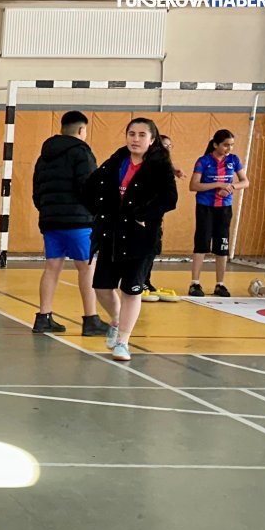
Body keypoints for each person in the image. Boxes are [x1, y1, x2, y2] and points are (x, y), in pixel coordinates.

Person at [85, 118, 178, 362]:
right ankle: (116, 320)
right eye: (131, 133)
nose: (135, 139)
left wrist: (143, 215)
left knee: (131, 290)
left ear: (152, 139)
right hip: (111, 234)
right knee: (102, 288)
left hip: (141, 239)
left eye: (141, 135)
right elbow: (92, 185)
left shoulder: (160, 165)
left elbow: (170, 198)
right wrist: (98, 211)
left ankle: (123, 342)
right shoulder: (117, 160)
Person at [30, 111, 108, 336]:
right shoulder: (82, 152)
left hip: (50, 219)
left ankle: (43, 317)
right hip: (78, 220)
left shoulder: (44, 155)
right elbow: (89, 186)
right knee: (86, 267)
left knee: (52, 267)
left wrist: (46, 211)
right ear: (82, 130)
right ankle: (90, 319)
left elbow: (37, 188)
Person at [189, 129, 250, 297]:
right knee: (202, 243)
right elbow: (193, 186)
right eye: (225, 145)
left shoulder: (234, 160)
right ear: (215, 144)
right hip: (205, 207)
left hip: (224, 208)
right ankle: (195, 283)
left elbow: (245, 182)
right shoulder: (204, 161)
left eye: (231, 145)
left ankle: (220, 284)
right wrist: (217, 185)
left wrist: (231, 187)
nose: (229, 148)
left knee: (222, 245)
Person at [138, 134, 185, 302]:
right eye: (164, 145)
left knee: (154, 247)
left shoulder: (163, 166)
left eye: (169, 146)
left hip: (156, 215)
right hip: (144, 213)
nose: (167, 148)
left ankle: (146, 281)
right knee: (145, 248)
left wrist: (173, 171)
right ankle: (139, 281)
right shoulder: (147, 164)